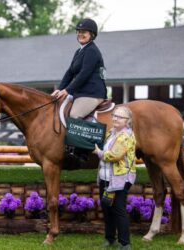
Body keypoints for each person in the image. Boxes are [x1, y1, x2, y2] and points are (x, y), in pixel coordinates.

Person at [93, 106, 136, 250]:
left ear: (128, 121)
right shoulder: (111, 133)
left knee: (118, 209)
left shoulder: (126, 136)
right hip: (106, 177)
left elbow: (114, 155)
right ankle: (109, 238)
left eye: (120, 117)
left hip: (120, 179)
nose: (115, 118)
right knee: (107, 208)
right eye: (114, 115)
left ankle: (125, 243)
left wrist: (98, 152)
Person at [51, 18, 107, 119]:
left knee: (74, 115)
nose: (80, 34)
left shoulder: (92, 51)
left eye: (84, 32)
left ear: (92, 35)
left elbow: (84, 74)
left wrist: (67, 90)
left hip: (92, 94)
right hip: (80, 93)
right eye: (78, 32)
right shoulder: (79, 51)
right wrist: (59, 89)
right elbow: (70, 72)